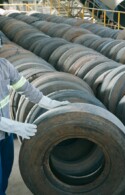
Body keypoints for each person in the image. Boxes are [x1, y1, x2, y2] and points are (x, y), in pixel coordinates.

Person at [0, 52, 70, 193]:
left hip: (5, 136)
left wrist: (50, 103)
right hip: (7, 128)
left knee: (5, 174)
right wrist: (15, 126)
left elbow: (26, 88)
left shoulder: (4, 65)